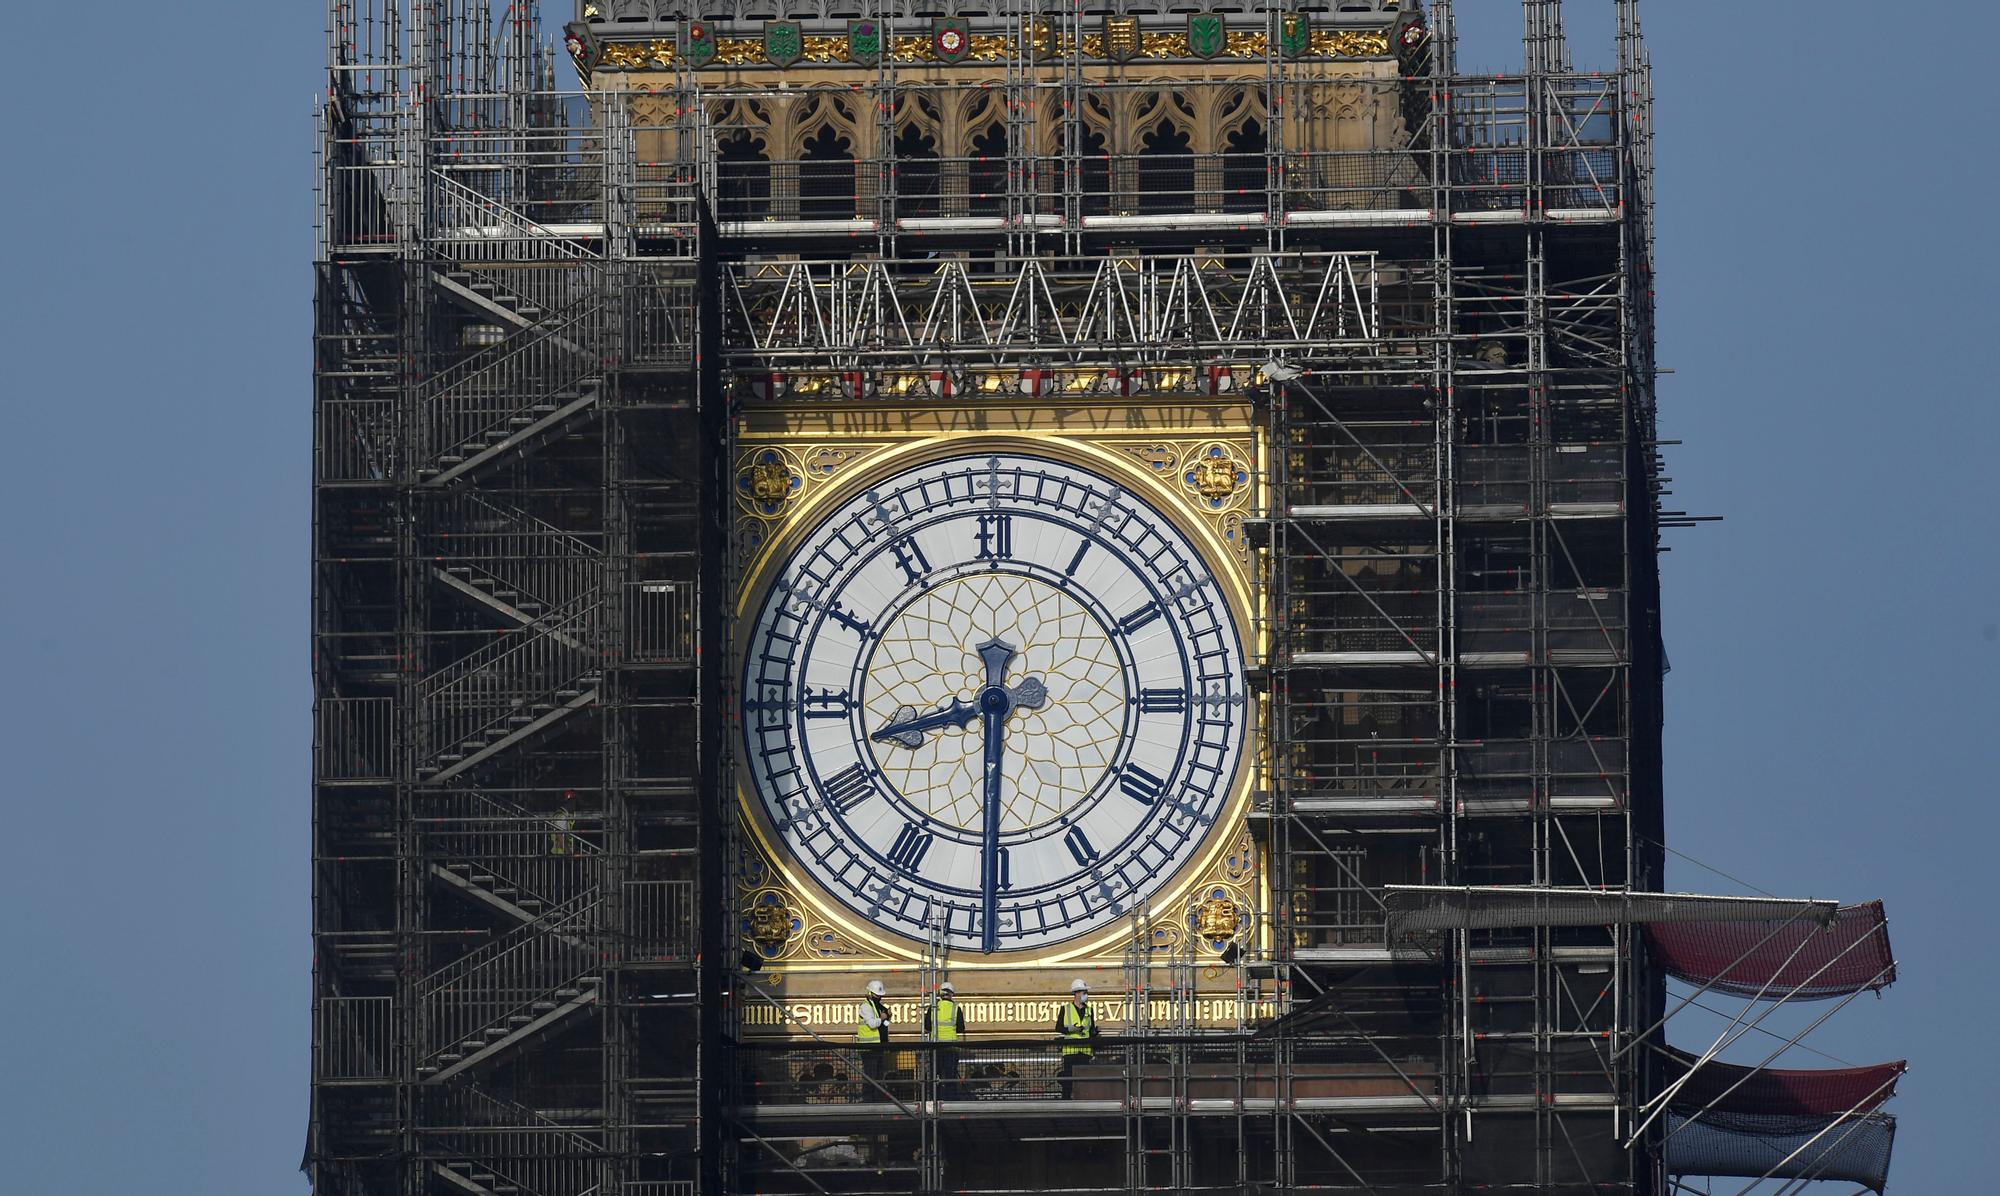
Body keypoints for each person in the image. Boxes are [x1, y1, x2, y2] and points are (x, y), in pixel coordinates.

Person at [1054, 977, 1100, 1098]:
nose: (1086, 995)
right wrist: (1071, 1029)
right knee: (1068, 1080)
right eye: (1085, 992)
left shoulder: (1089, 1010)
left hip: (1085, 1051)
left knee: (1084, 1081)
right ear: (1077, 993)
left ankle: (1084, 1102)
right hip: (1070, 1051)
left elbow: (1091, 1029)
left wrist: (1094, 1032)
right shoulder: (1066, 1009)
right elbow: (1058, 1027)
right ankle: (1066, 1102)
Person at [924, 980, 965, 1098]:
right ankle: (950, 1099)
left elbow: (927, 1027)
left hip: (935, 1047)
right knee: (950, 1075)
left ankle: (934, 1098)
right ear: (951, 994)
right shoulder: (955, 1008)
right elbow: (961, 1028)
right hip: (950, 1047)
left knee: (934, 1075)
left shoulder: (933, 1007)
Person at [855, 978, 891, 1091]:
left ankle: (876, 1097)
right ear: (870, 993)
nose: (879, 998)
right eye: (877, 995)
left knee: (878, 1076)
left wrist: (886, 1017)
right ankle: (869, 1099)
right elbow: (872, 1024)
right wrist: (882, 1018)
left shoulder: (876, 1007)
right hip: (869, 1048)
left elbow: (884, 1024)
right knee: (870, 1077)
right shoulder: (865, 1007)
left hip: (878, 1047)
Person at [548, 790, 578, 856]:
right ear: (570, 802)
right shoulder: (561, 816)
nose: (575, 804)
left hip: (563, 853)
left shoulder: (566, 815)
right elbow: (560, 835)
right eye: (574, 801)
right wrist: (568, 852)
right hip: (561, 854)